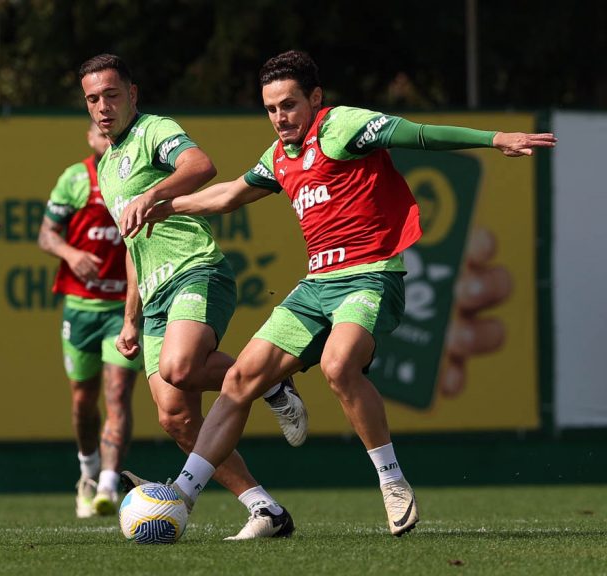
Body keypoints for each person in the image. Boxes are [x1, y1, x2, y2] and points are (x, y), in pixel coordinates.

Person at [129, 50, 556, 537]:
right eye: (270, 109)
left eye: (289, 105)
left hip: (372, 275)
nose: (279, 117)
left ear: (315, 98)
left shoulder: (343, 126)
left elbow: (417, 134)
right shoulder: (279, 157)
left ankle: (392, 482)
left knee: (338, 365)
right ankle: (181, 496)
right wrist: (164, 205)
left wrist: (494, 138)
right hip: (316, 285)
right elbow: (227, 195)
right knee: (240, 379)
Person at [79, 53, 305, 540]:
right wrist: (129, 319)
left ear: (132, 95)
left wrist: (152, 193)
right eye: (93, 99)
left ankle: (269, 381)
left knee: (180, 369)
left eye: (112, 95)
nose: (102, 106)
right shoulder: (106, 166)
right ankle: (265, 509)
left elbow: (200, 165)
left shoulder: (154, 130)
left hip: (195, 269)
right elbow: (133, 246)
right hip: (154, 294)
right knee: (176, 416)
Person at [38, 122, 142, 518]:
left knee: (118, 396)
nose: (106, 136)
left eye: (111, 131)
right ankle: (88, 473)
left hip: (122, 307)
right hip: (81, 309)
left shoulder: (137, 175)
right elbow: (46, 235)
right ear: (89, 136)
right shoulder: (76, 178)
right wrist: (70, 253)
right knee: (83, 402)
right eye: (98, 132)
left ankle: (110, 486)